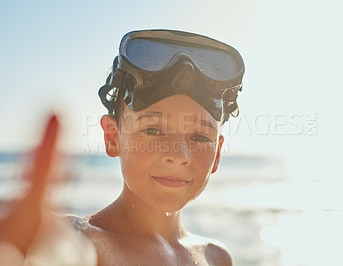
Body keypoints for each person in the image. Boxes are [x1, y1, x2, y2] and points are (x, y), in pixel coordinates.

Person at [0, 29, 244, 265]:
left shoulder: (217, 258)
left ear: (217, 153)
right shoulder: (84, 240)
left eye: (200, 137)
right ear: (113, 138)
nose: (178, 155)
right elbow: (62, 253)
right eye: (152, 130)